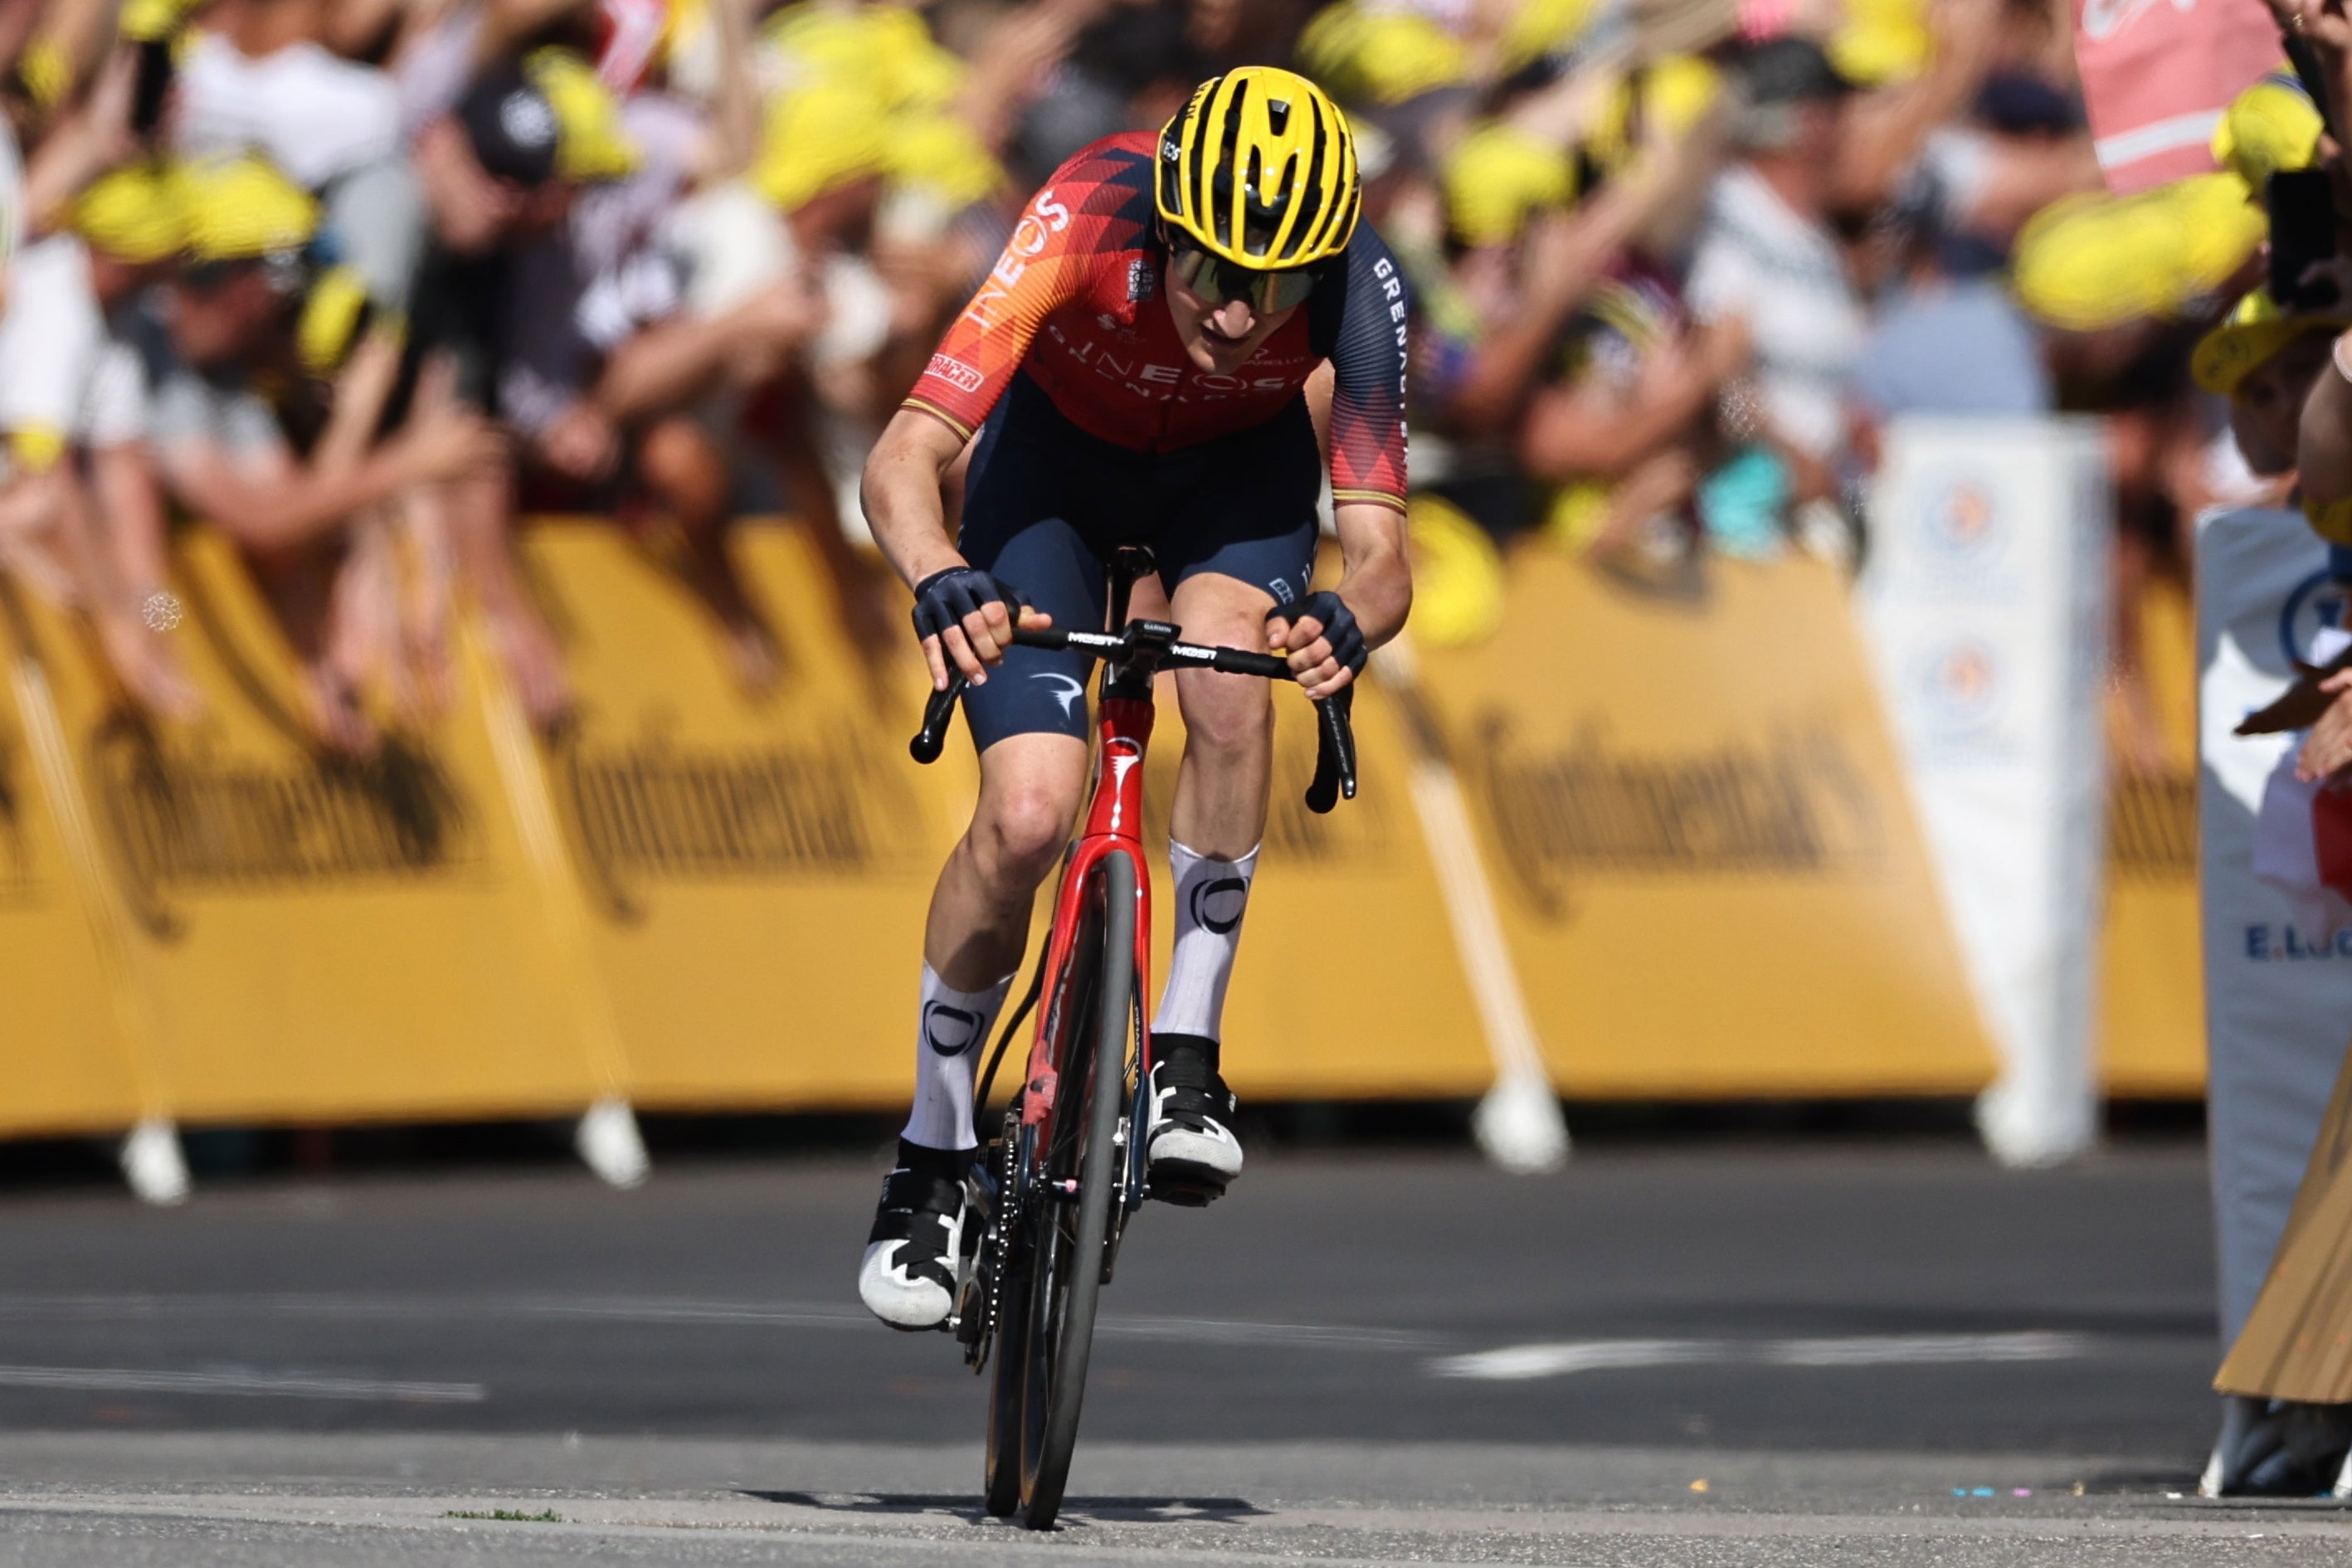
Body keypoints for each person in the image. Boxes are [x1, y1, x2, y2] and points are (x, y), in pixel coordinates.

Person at [855, 65, 1411, 1330]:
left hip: (1234, 490)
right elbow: (905, 455)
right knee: (1030, 816)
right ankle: (934, 1157)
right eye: (1212, 271)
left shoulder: (1364, 286)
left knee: (1231, 688)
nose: (1235, 314)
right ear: (1167, 227)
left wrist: (1340, 621)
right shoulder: (1086, 211)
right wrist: (940, 571)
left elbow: (1381, 558)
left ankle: (1187, 1059)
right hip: (1049, 480)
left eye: (1276, 287)